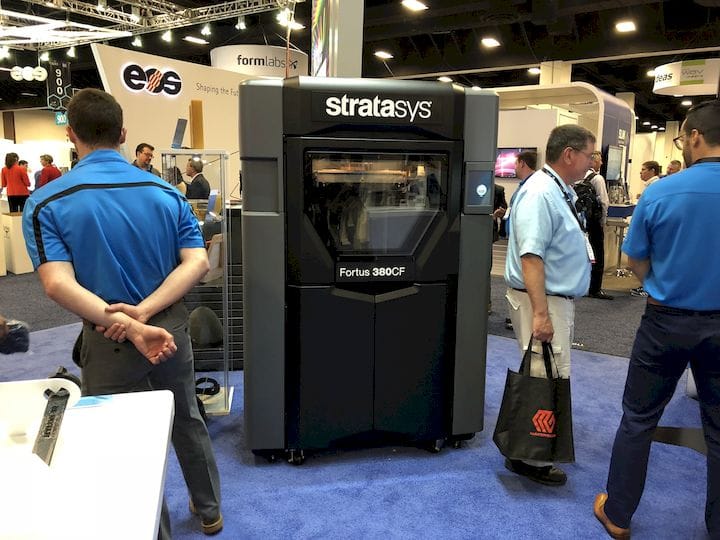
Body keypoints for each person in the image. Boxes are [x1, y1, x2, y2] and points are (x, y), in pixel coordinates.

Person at [21, 89, 222, 538]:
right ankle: (210, 511)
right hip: (169, 326)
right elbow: (197, 262)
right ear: (124, 134)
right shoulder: (167, 193)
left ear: (71, 135)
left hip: (108, 334)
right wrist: (146, 313)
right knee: (186, 418)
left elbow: (57, 283)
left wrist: (128, 323)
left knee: (121, 441)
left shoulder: (47, 202)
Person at [594, 99, 720, 540]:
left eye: (682, 137)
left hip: (665, 321)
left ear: (695, 137)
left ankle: (618, 514)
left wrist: (660, 285)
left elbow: (635, 259)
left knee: (639, 419)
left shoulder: (662, 191)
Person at [503, 124, 595, 486]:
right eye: (589, 155)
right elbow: (531, 257)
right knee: (543, 375)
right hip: (542, 302)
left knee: (545, 372)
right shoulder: (541, 192)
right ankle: (530, 457)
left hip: (553, 300)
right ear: (569, 154)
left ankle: (530, 449)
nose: (592, 162)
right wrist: (541, 314)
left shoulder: (559, 189)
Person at [504, 150, 538, 330]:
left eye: (516, 163)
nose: (514, 167)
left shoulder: (532, 188)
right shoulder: (524, 186)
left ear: (523, 163)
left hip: (524, 246)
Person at [578, 150, 613, 300]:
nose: (601, 163)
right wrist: (603, 221)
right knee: (597, 255)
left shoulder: (577, 177)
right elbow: (604, 202)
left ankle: (581, 285)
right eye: (599, 161)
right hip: (593, 223)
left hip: (579, 222)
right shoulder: (597, 179)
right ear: (592, 161)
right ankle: (595, 288)